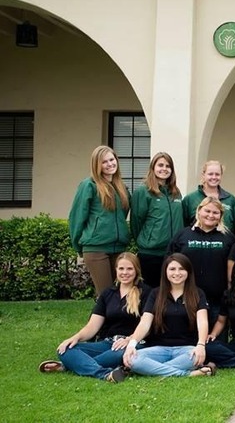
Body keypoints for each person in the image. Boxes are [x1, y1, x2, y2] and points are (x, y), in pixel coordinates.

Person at [39, 253, 150, 382]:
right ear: (116, 270)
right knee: (65, 350)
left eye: (129, 269)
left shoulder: (146, 292)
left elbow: (147, 325)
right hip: (108, 343)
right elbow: (93, 326)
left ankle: (69, 366)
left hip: (133, 344)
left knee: (114, 356)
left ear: (136, 270)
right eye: (121, 269)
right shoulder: (107, 294)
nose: (125, 272)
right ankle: (104, 374)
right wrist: (75, 338)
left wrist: (130, 340)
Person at [123, 253, 215, 378]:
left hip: (187, 349)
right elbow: (145, 323)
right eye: (172, 269)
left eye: (181, 269)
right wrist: (132, 344)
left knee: (193, 358)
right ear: (165, 272)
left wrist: (200, 345)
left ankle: (150, 369)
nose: (177, 273)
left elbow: (202, 322)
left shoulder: (198, 293)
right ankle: (189, 374)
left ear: (188, 272)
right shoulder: (156, 293)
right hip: (159, 348)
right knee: (133, 359)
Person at [68, 145, 131, 296]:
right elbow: (76, 218)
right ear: (97, 165)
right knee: (105, 295)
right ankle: (96, 320)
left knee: (120, 293)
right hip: (96, 249)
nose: (110, 164)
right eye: (104, 162)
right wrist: (79, 246)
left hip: (118, 249)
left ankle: (114, 320)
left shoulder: (121, 187)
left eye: (112, 159)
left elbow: (122, 214)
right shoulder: (88, 185)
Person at [169, 197, 235, 327]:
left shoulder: (228, 238)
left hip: (217, 300)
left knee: (215, 343)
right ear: (199, 211)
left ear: (221, 215)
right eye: (207, 211)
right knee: (190, 343)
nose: (211, 215)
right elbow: (169, 264)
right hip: (187, 299)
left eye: (216, 212)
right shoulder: (183, 235)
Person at [131, 152, 184, 287]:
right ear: (153, 168)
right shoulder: (143, 191)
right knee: (150, 293)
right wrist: (147, 240)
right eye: (160, 165)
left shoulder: (175, 193)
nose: (164, 169)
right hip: (151, 254)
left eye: (168, 166)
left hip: (173, 252)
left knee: (169, 292)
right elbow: (137, 221)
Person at [182, 160, 235, 233]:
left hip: (226, 243)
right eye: (210, 174)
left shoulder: (230, 200)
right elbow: (184, 226)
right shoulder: (190, 199)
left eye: (217, 174)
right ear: (203, 175)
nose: (214, 177)